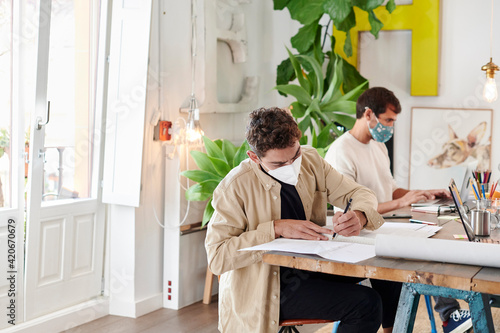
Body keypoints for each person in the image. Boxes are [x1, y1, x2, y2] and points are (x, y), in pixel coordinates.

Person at [205, 107, 401, 333]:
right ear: (254, 157)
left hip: (315, 267)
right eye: (279, 164)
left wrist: (360, 215)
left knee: (388, 273)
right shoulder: (235, 187)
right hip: (270, 287)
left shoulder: (310, 160)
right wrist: (275, 229)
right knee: (366, 304)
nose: (291, 168)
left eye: (295, 156)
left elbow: (361, 193)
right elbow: (217, 257)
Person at [324, 87, 473, 333]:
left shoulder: (378, 147)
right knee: (421, 252)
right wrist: (403, 203)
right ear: (369, 114)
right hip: (360, 236)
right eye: (388, 120)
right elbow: (349, 212)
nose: (391, 127)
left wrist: (422, 193)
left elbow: (390, 190)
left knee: (434, 234)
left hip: (385, 226)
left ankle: (448, 315)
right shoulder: (341, 152)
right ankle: (448, 315)